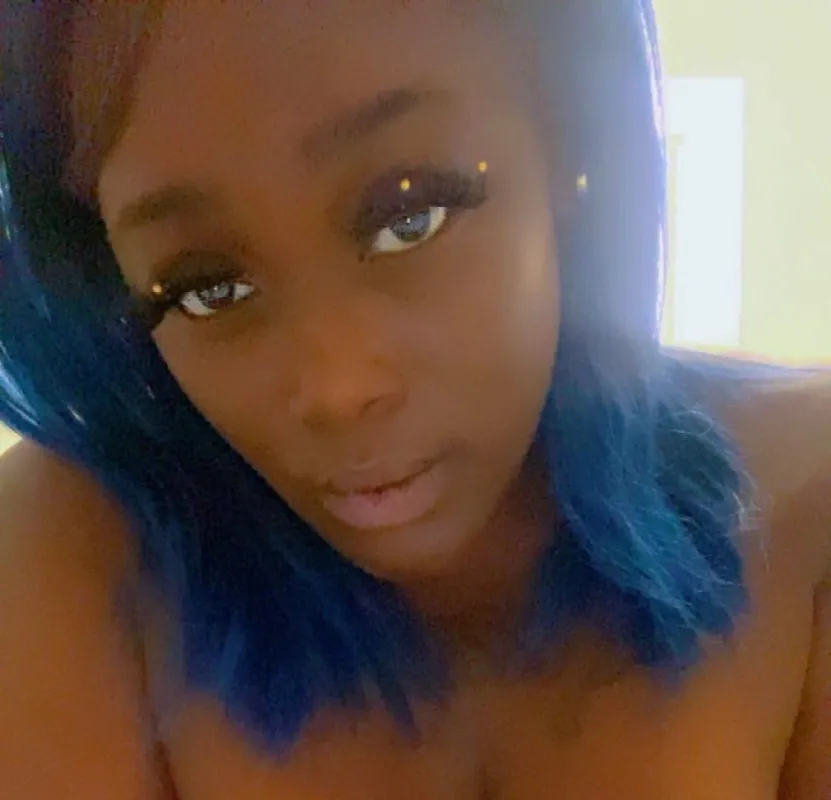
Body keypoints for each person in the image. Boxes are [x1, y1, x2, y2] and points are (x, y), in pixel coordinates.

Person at [0, 1, 828, 797]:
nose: (336, 388)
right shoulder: (78, 549)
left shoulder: (806, 507)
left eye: (410, 216)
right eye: (206, 287)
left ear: (568, 138)